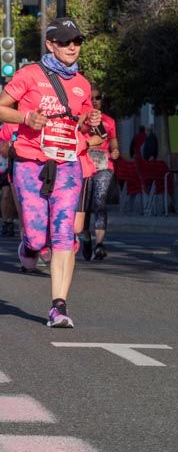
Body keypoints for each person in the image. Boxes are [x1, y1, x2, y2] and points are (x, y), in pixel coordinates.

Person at [0, 17, 102, 327]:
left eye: (77, 41)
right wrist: (26, 118)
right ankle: (29, 244)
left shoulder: (82, 84)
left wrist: (90, 119)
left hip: (68, 163)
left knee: (63, 232)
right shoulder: (29, 75)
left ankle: (58, 307)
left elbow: (82, 118)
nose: (72, 46)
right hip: (31, 162)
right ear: (50, 44)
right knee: (35, 234)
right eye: (65, 41)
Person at [78, 95, 118, 260]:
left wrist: (115, 150)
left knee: (100, 202)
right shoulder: (82, 120)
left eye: (98, 98)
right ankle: (87, 238)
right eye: (91, 98)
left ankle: (100, 244)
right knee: (85, 205)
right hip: (84, 164)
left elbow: (113, 141)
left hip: (103, 165)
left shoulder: (109, 121)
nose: (94, 100)